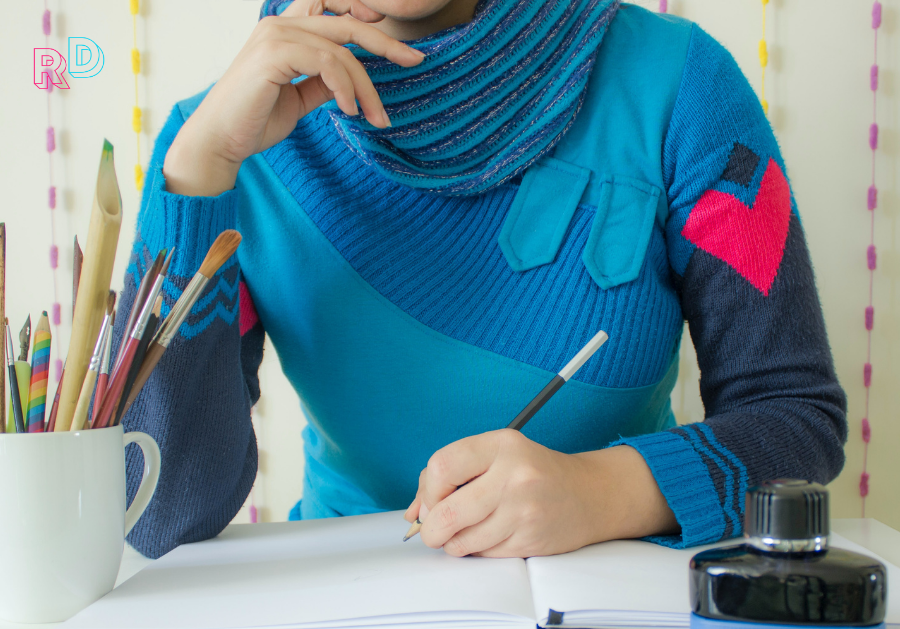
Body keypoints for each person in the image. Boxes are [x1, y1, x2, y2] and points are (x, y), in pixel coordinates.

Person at [118, 0, 847, 560]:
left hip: (614, 622)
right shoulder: (217, 139)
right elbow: (157, 517)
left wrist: (603, 493)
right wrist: (199, 176)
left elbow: (796, 418)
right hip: (343, 624)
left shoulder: (685, 87)